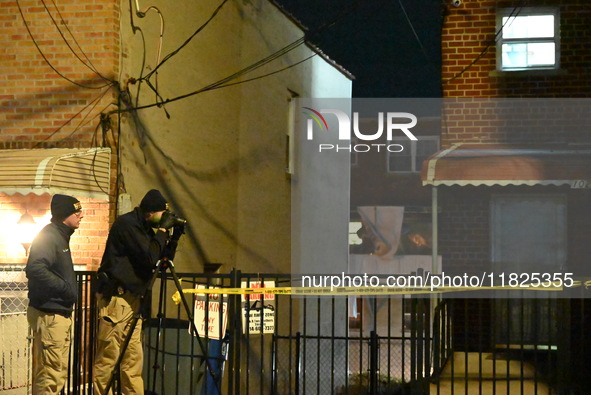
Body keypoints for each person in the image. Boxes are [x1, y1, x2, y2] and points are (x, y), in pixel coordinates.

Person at [93, 189, 180, 394]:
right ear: (150, 213)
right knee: (108, 361)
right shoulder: (127, 225)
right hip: (117, 301)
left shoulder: (146, 229)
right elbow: (149, 257)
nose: (164, 220)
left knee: (133, 363)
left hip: (133, 302)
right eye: (162, 215)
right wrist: (163, 232)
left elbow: (161, 263)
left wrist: (173, 238)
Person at [25, 194, 83, 394]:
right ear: (64, 214)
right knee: (50, 376)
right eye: (76, 211)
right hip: (51, 315)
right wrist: (66, 288)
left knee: (54, 373)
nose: (81, 215)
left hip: (58, 313)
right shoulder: (50, 236)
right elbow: (35, 269)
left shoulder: (59, 236)